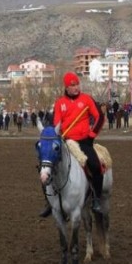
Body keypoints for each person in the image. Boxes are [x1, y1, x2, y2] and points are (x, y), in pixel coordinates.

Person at [39, 72, 104, 217]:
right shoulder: (59, 103)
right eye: (72, 85)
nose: (76, 88)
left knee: (95, 165)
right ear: (66, 87)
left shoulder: (87, 100)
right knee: (46, 166)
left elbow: (99, 117)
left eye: (77, 84)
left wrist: (91, 135)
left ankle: (96, 199)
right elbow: (56, 124)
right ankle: (49, 202)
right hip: (65, 141)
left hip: (83, 142)